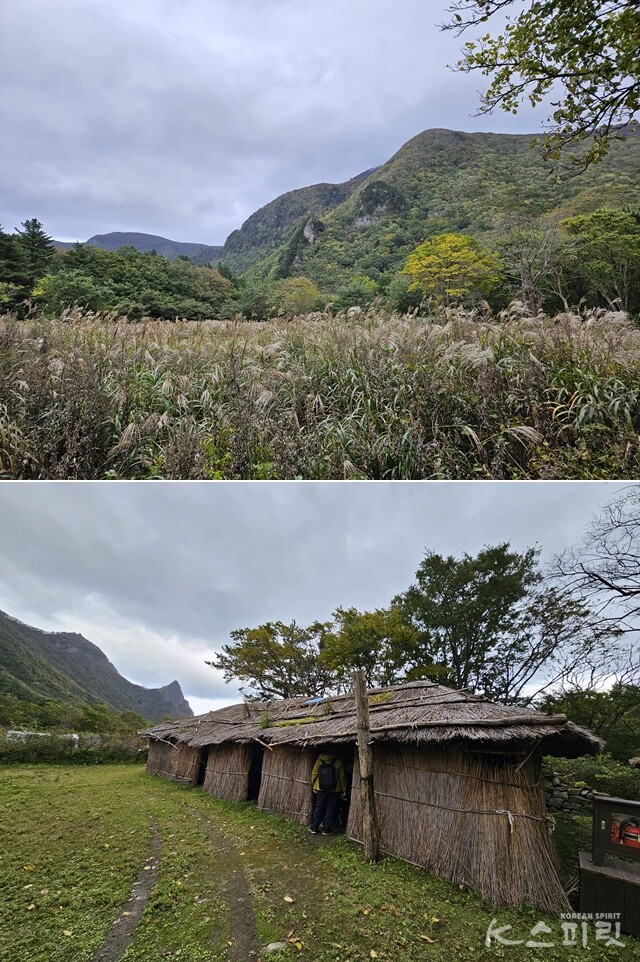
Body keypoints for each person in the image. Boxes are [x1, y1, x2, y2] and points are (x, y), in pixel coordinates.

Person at [310, 751, 346, 836]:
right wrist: (343, 789)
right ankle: (326, 830)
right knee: (330, 808)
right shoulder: (338, 761)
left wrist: (314, 785)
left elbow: (314, 773)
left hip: (320, 787)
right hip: (334, 789)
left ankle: (314, 827)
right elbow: (342, 777)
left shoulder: (320, 759)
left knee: (319, 807)